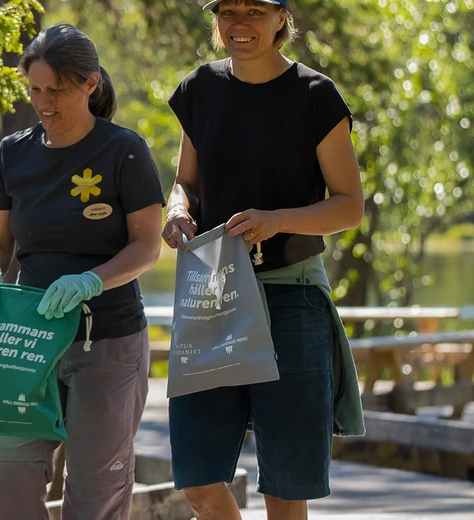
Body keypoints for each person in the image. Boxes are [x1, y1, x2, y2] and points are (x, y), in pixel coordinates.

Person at [160, 0, 367, 518]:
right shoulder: (199, 89)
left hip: (291, 299)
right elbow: (185, 181)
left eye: (255, 9)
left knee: (284, 482)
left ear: (281, 18)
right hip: (212, 296)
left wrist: (277, 220)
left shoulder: (316, 96)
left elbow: (349, 206)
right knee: (198, 479)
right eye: (228, 10)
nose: (239, 23)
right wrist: (177, 209)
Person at [0, 23, 165, 520]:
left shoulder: (124, 150)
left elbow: (146, 246)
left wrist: (91, 279)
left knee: (95, 491)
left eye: (57, 91)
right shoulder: (12, 154)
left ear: (90, 84)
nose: (43, 102)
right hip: (27, 341)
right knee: (8, 475)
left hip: (109, 342)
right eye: (35, 89)